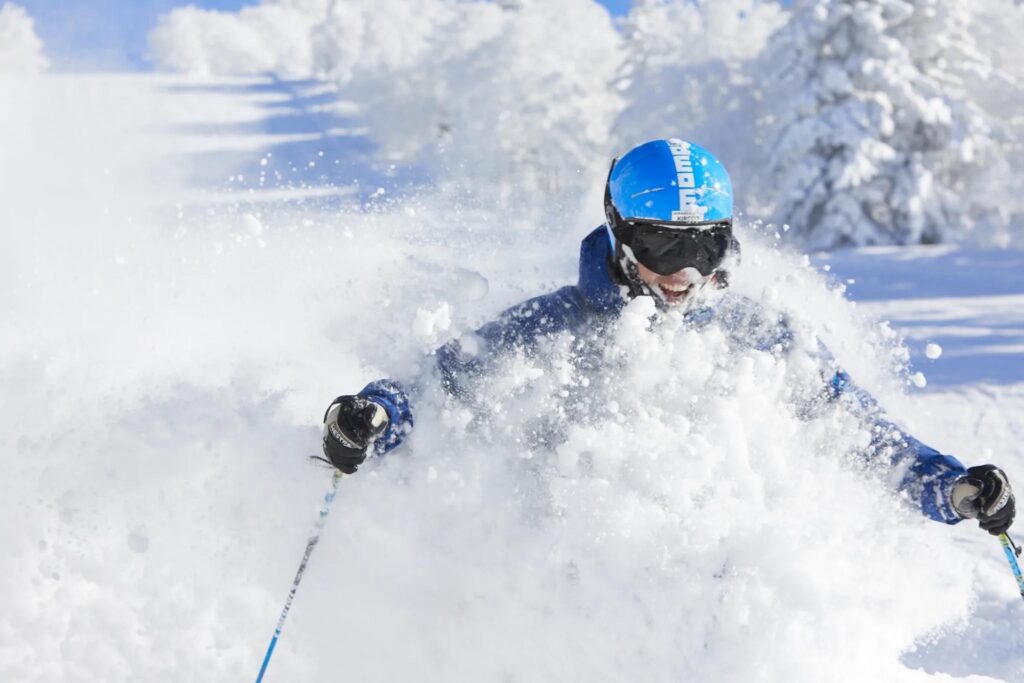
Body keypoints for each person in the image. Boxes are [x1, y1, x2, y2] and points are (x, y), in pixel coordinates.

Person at [321, 138, 1015, 536]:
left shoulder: (762, 339)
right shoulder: (553, 325)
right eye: (661, 241)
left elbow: (860, 433)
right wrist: (372, 416)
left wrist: (949, 487)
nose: (685, 272)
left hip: (708, 578)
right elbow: (437, 384)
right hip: (559, 564)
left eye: (706, 247)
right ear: (622, 234)